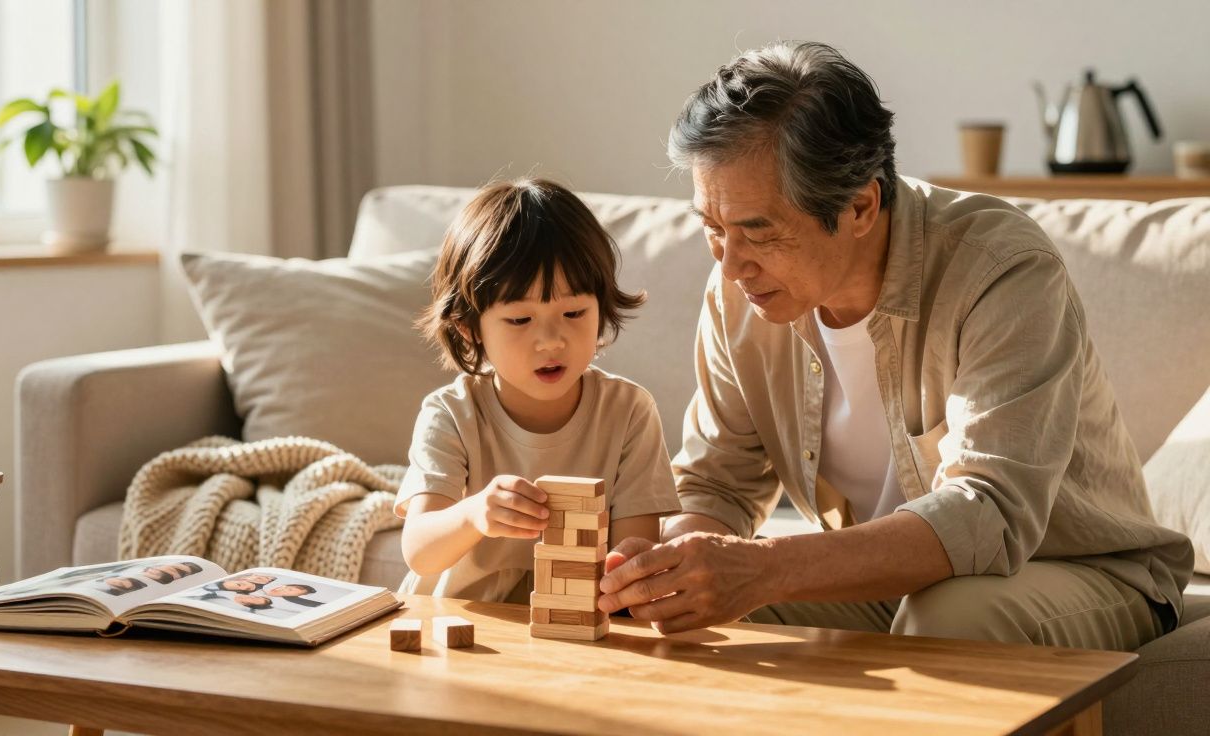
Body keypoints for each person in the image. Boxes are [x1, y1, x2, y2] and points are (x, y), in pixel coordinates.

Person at [598, 41, 1193, 650]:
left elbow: (989, 512)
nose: (729, 267)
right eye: (711, 228)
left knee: (951, 619)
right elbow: (719, 484)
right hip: (883, 581)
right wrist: (665, 570)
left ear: (860, 205)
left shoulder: (1002, 268)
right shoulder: (740, 291)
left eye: (759, 232)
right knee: (672, 623)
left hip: (1073, 569)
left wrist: (765, 568)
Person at [396, 178, 682, 603]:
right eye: (520, 320)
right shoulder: (452, 413)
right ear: (468, 328)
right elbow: (419, 551)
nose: (551, 340)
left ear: (601, 308)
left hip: (577, 623)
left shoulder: (629, 412)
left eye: (573, 312)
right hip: (466, 624)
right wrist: (475, 514)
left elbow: (633, 555)